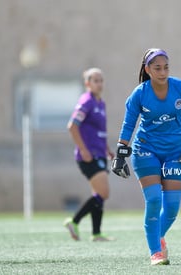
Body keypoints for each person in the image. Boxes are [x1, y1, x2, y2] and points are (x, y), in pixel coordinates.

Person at [111, 48, 181, 265]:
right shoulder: (139, 94)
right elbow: (128, 124)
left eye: (166, 67)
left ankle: (157, 236)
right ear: (147, 70)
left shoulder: (180, 88)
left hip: (174, 153)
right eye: (157, 68)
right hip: (145, 150)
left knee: (171, 208)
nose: (163, 72)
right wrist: (120, 153)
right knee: (153, 200)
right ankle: (155, 252)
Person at [64, 67, 115, 242]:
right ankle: (74, 220)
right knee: (104, 192)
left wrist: (107, 149)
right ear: (87, 83)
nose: (100, 84)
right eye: (95, 80)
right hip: (88, 156)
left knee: (98, 194)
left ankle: (96, 233)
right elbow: (72, 126)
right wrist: (83, 149)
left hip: (99, 153)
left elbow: (99, 130)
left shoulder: (101, 103)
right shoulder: (86, 102)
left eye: (101, 80)